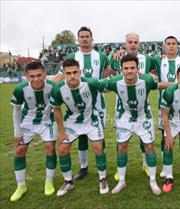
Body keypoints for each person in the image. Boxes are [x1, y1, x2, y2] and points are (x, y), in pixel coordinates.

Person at [101, 54, 171, 196]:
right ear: (121, 69)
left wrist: (178, 84)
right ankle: (122, 180)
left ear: (138, 69)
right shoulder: (115, 81)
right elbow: (98, 86)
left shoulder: (147, 80)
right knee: (121, 148)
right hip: (124, 118)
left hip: (143, 117)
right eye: (126, 68)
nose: (129, 71)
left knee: (149, 147)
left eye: (132, 68)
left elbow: (159, 85)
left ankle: (152, 181)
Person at [52, 26, 111, 180]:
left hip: (98, 103)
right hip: (77, 104)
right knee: (82, 136)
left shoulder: (102, 56)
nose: (85, 39)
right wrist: (46, 86)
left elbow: (106, 75)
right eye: (82, 37)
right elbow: (59, 77)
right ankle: (84, 167)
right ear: (78, 39)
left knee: (99, 136)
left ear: (92, 38)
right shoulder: (71, 56)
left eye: (87, 36)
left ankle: (102, 169)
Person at [51, 59, 108, 196]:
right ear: (64, 74)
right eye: (68, 73)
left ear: (80, 72)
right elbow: (56, 109)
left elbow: (111, 85)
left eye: (75, 72)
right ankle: (68, 182)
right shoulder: (58, 89)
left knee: (98, 148)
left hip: (91, 120)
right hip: (72, 121)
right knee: (63, 149)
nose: (72, 76)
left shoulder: (91, 83)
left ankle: (103, 178)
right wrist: (62, 131)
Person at [111, 33, 157, 180]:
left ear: (139, 44)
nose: (132, 44)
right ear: (125, 43)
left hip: (141, 104)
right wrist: (114, 53)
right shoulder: (118, 57)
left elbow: (157, 71)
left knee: (145, 140)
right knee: (121, 141)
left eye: (135, 42)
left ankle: (145, 164)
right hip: (122, 106)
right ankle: (120, 170)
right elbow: (111, 72)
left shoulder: (148, 59)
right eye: (130, 42)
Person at [10, 62, 57, 201]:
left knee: (50, 147)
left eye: (39, 75)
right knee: (19, 151)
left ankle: (49, 181)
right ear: (26, 77)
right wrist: (17, 133)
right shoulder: (20, 89)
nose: (36, 79)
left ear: (45, 74)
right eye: (32, 76)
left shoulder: (53, 87)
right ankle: (21, 186)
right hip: (27, 122)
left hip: (48, 120)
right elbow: (16, 111)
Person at [152, 36, 180, 178]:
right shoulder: (158, 60)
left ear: (177, 46)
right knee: (165, 136)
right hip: (164, 104)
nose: (171, 46)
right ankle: (166, 166)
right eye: (168, 44)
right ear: (164, 46)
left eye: (173, 44)